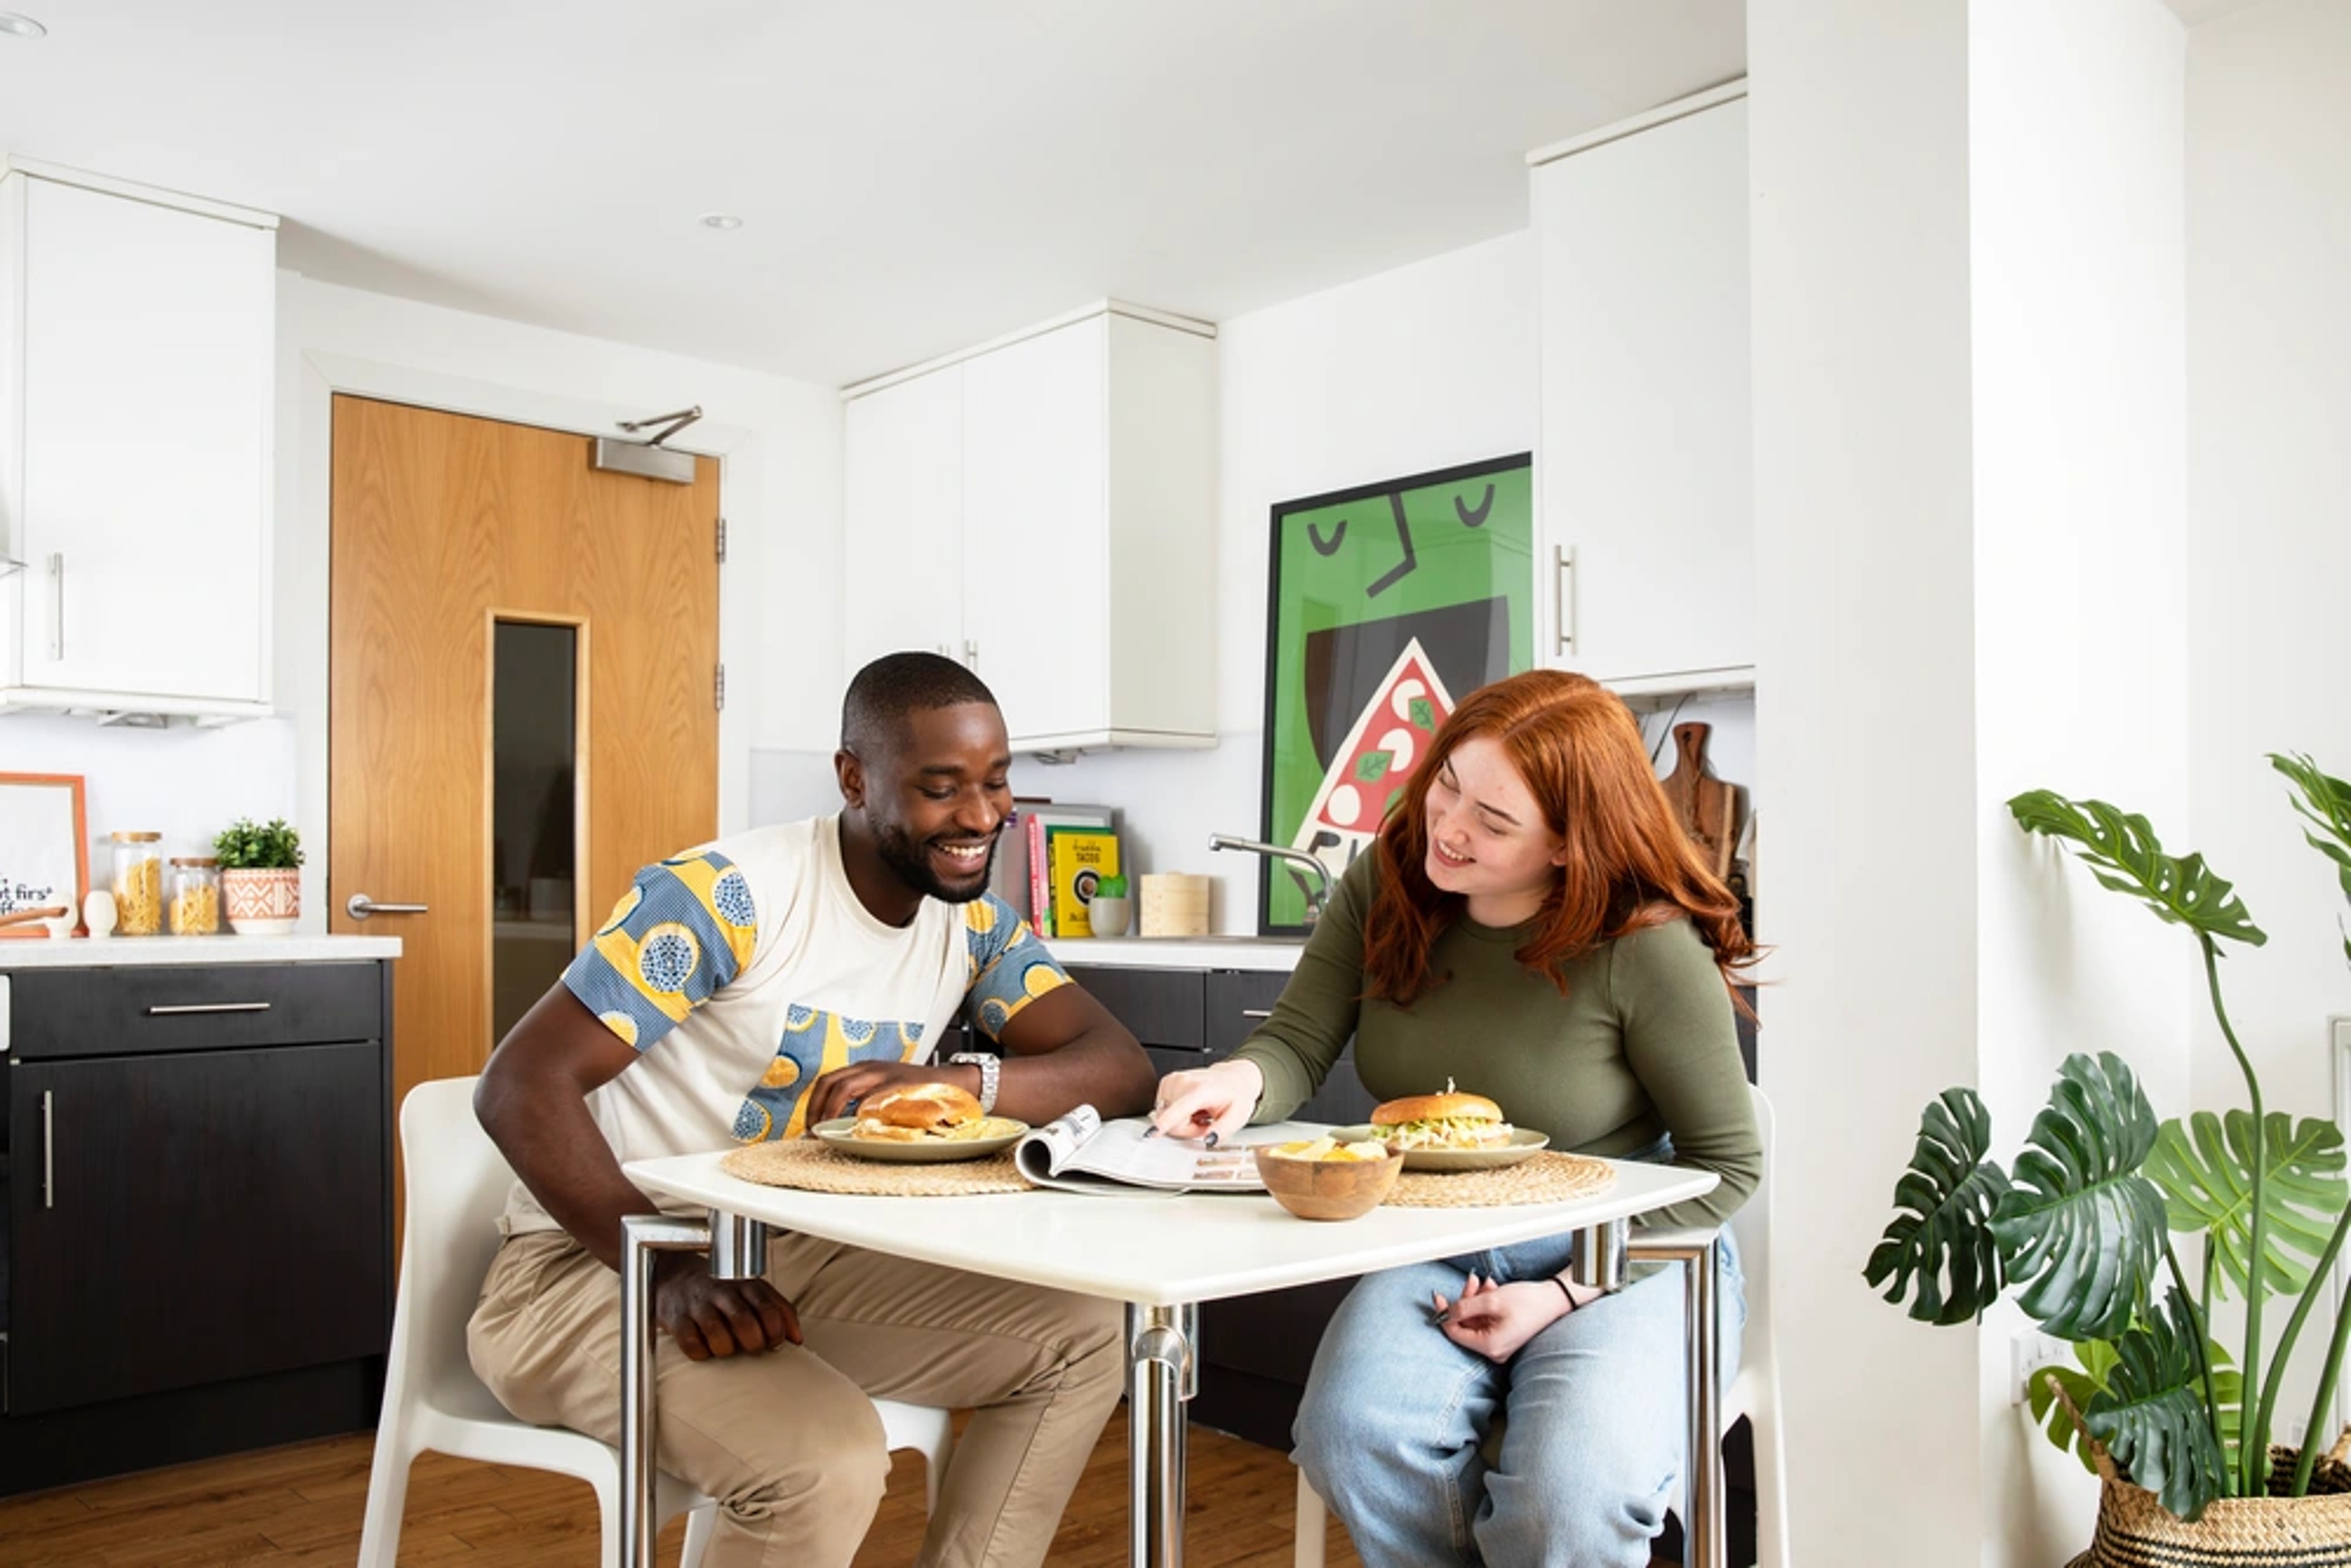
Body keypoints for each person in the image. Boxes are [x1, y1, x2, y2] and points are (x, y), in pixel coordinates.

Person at [470, 650, 1160, 1568]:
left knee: (1085, 1333)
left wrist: (955, 1083)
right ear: (854, 777)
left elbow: (1119, 1067)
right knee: (825, 1459)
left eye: (996, 783)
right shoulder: (727, 898)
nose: (981, 816)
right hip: (594, 1272)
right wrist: (672, 1271)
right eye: (941, 787)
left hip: (785, 1260)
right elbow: (519, 1085)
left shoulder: (974, 926)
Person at [1152, 668, 1761, 1568]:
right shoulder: (1388, 880)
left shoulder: (1644, 946)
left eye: (1495, 819)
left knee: (1572, 1492)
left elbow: (1729, 1165)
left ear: (1568, 844)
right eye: (1447, 785)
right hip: (1443, 1235)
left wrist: (1562, 1292)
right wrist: (1240, 1080)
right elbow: (1298, 1038)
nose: (1448, 827)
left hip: (1629, 1250)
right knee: (1348, 1431)